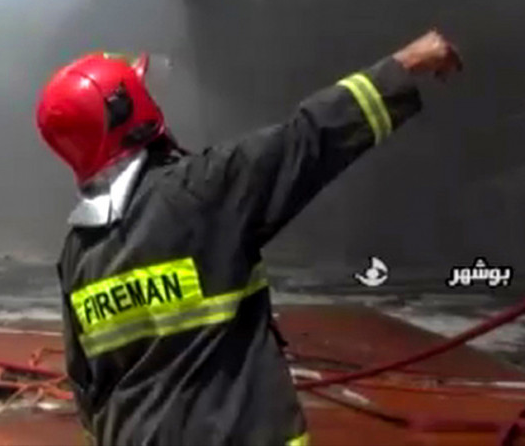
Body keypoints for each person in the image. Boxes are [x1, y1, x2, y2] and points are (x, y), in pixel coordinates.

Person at [35, 30, 462, 446]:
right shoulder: (203, 191)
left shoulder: (78, 254)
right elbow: (310, 137)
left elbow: (86, 385)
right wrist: (403, 67)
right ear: (131, 113)